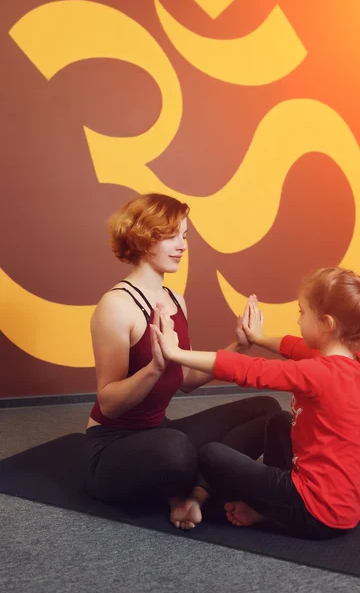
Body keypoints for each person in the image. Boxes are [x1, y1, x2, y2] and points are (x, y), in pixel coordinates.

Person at [84, 193, 281, 530]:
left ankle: (193, 496)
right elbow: (109, 403)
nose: (182, 245)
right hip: (112, 447)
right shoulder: (116, 306)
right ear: (143, 236)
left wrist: (240, 346)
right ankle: (187, 484)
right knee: (177, 450)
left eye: (185, 236)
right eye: (171, 235)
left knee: (267, 410)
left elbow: (187, 380)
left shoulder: (175, 299)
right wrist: (154, 369)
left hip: (159, 432)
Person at [151, 267, 360, 539]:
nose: (298, 320)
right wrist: (258, 338)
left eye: (302, 312)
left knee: (211, 455)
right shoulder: (354, 364)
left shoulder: (318, 373)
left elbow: (250, 369)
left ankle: (273, 510)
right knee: (279, 421)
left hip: (316, 513)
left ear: (327, 324)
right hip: (343, 508)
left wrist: (176, 353)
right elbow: (296, 346)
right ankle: (271, 507)